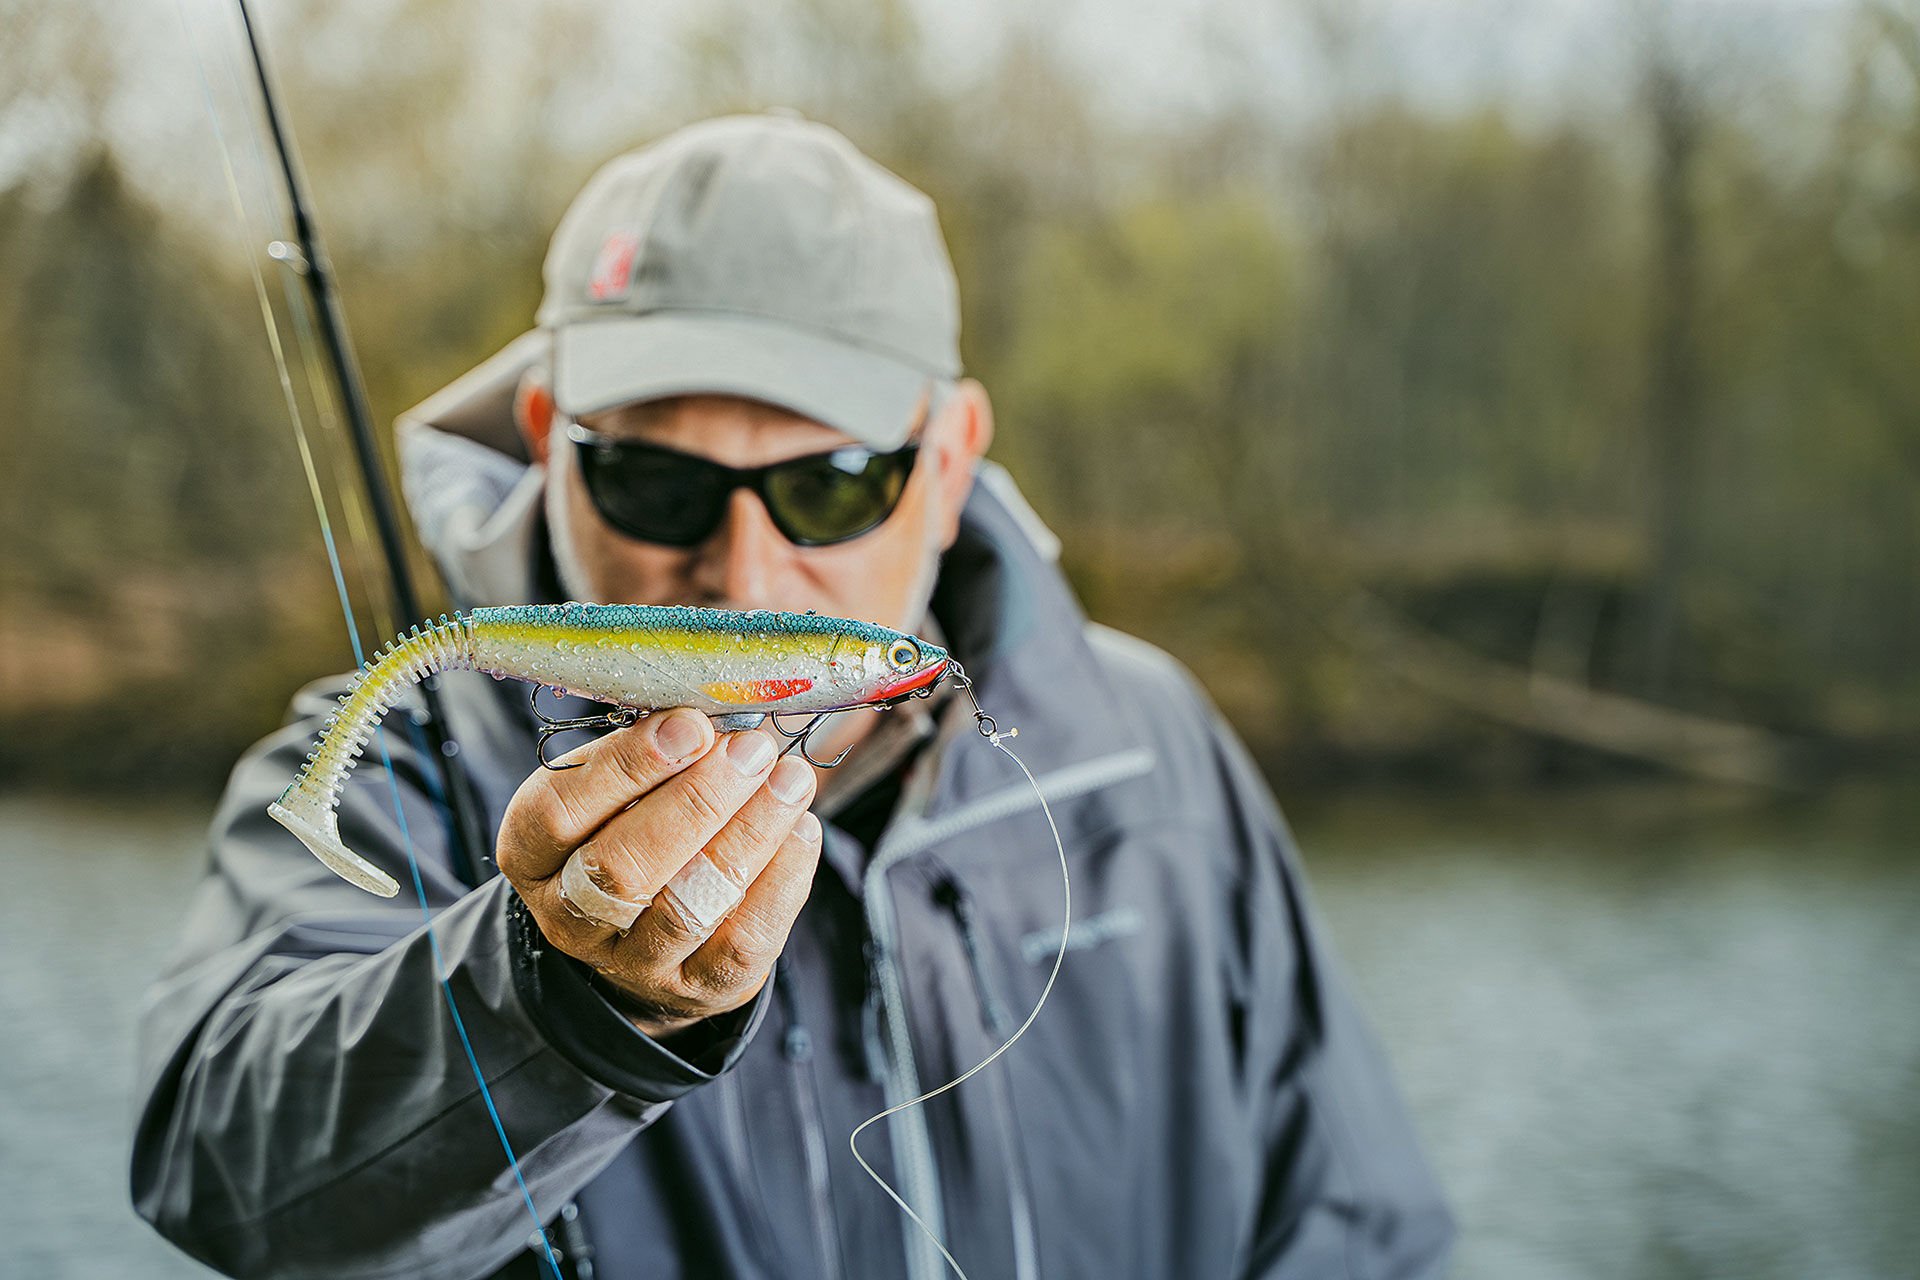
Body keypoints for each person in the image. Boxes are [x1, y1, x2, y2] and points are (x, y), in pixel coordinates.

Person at [133, 113, 1453, 1280]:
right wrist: (560, 1007)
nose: (740, 567)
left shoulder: (1153, 747)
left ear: (950, 462)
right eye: (653, 482)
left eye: (831, 485)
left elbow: (1354, 1226)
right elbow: (227, 1177)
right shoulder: (392, 766)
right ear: (548, 443)